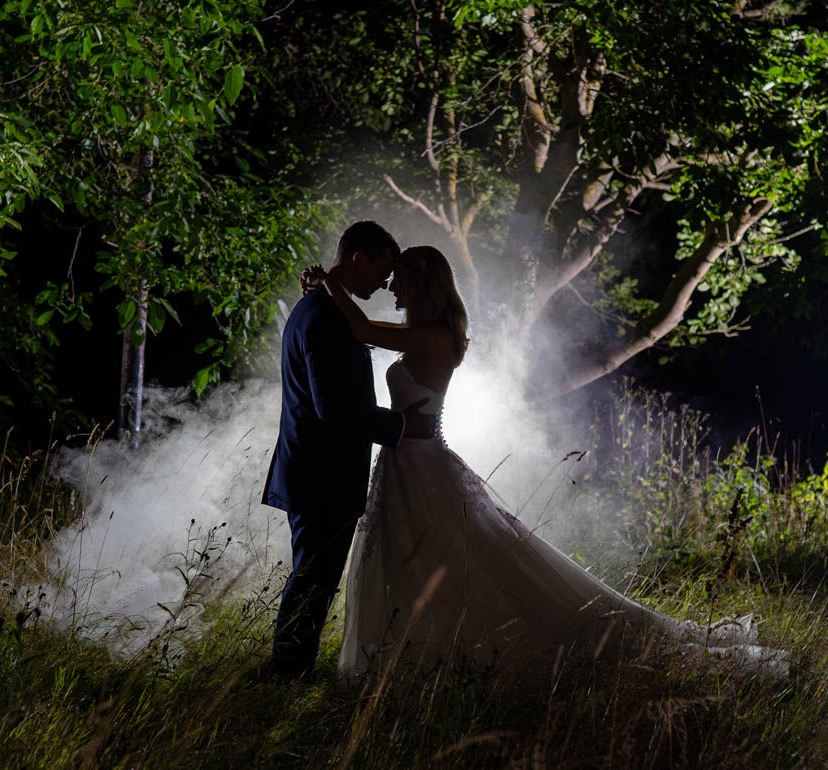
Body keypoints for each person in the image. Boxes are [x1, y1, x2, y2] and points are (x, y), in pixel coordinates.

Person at [306, 245, 787, 681]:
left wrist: (330, 282)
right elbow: (367, 333)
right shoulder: (420, 334)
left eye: (399, 279)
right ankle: (410, 658)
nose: (390, 286)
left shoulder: (440, 337)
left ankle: (452, 656)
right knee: (412, 563)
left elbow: (364, 329)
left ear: (422, 281)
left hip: (424, 466)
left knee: (466, 566)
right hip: (401, 466)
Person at [262, 221, 435, 681]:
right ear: (359, 256)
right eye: (381, 273)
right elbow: (335, 409)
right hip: (323, 474)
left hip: (317, 470)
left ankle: (290, 670)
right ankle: (287, 674)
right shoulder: (324, 316)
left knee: (312, 579)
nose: (382, 287)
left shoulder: (318, 307)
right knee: (313, 581)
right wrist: (401, 425)